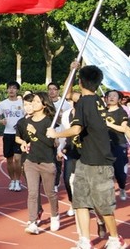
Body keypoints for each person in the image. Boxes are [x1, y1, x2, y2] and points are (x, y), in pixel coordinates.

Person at [47, 65, 128, 249]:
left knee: (103, 205)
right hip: (85, 161)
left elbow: (76, 129)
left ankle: (115, 239)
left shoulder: (85, 102)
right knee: (80, 202)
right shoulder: (97, 99)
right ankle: (84, 240)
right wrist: (72, 70)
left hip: (99, 163)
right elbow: (68, 95)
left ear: (81, 82)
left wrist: (55, 134)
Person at [15, 92, 59, 235]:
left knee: (50, 192)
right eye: (31, 101)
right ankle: (33, 222)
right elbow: (26, 139)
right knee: (32, 193)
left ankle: (54, 215)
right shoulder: (26, 121)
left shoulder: (49, 121)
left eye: (36, 102)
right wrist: (23, 144)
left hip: (47, 161)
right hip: (31, 161)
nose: (32, 104)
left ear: (44, 104)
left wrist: (37, 133)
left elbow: (51, 143)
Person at [0, 81, 24, 191]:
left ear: (17, 90)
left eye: (14, 88)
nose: (11, 90)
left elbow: (28, 116)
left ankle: (18, 181)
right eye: (9, 88)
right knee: (9, 160)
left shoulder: (22, 103)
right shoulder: (2, 104)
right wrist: (0, 120)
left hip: (19, 135)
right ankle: (12, 180)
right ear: (7, 90)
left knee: (18, 159)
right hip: (7, 134)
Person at [104, 90, 129, 201]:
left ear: (119, 99)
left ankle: (122, 188)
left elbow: (124, 128)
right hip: (104, 145)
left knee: (120, 172)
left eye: (114, 96)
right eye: (109, 96)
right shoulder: (102, 112)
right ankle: (108, 193)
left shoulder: (121, 112)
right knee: (105, 171)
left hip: (119, 143)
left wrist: (109, 124)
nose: (111, 97)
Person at [48, 82, 71, 193]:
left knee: (56, 160)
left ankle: (56, 183)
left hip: (60, 134)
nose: (52, 91)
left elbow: (66, 121)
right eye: (50, 89)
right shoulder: (45, 103)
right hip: (47, 134)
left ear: (58, 91)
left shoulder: (65, 105)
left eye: (54, 89)